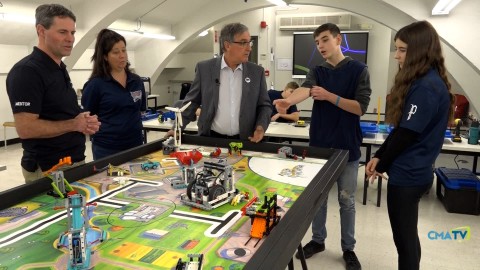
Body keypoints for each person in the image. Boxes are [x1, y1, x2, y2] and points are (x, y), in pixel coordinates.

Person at [274, 23, 371, 270]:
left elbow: (360, 108)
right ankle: (318, 240)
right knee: (317, 200)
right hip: (319, 148)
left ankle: (348, 248)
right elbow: (304, 91)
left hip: (347, 148)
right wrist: (286, 102)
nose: (320, 46)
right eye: (317, 42)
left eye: (325, 40)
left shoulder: (359, 70)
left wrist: (329, 96)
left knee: (347, 202)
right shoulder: (317, 70)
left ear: (338, 39)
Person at [366, 21, 454, 270]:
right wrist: (380, 156)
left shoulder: (426, 86)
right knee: (407, 239)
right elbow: (401, 130)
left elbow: (406, 135)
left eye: (402, 50)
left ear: (419, 50)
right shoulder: (424, 80)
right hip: (414, 171)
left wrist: (380, 161)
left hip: (409, 176)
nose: (397, 55)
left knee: (404, 242)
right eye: (397, 49)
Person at [6, 4, 101, 183]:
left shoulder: (58, 68)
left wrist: (83, 121)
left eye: (72, 33)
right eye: (63, 32)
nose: (70, 39)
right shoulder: (27, 71)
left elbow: (57, 112)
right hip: (49, 169)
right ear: (41, 31)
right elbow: (26, 128)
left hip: (73, 162)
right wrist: (74, 124)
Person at [166, 22, 272, 142]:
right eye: (243, 43)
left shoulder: (256, 72)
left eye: (250, 42)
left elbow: (265, 106)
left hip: (245, 140)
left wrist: (260, 129)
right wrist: (177, 128)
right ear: (227, 45)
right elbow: (191, 102)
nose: (249, 48)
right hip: (211, 139)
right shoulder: (205, 69)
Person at [82, 29, 146, 160]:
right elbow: (88, 118)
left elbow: (140, 110)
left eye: (124, 50)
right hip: (107, 149)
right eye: (116, 52)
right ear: (105, 57)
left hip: (136, 145)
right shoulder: (95, 85)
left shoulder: (136, 81)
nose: (122, 55)